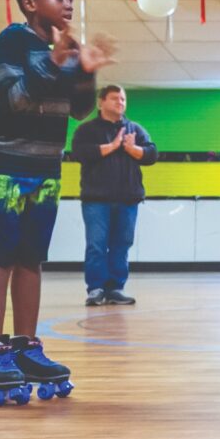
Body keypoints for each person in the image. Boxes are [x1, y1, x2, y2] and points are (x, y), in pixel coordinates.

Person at [0, 0, 107, 399]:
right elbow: (14, 98)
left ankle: (26, 346)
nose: (68, 3)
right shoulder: (14, 41)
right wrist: (55, 61)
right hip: (1, 164)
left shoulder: (63, 50)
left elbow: (80, 110)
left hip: (45, 168)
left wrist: (84, 70)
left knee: (30, 257)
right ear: (31, 3)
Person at [72, 84, 155, 307]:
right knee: (96, 245)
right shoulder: (87, 130)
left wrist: (132, 149)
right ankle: (96, 289)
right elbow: (79, 152)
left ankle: (116, 288)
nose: (120, 102)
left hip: (128, 198)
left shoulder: (135, 129)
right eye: (115, 98)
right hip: (96, 200)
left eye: (123, 99)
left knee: (122, 244)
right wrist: (113, 146)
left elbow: (151, 154)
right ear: (101, 102)